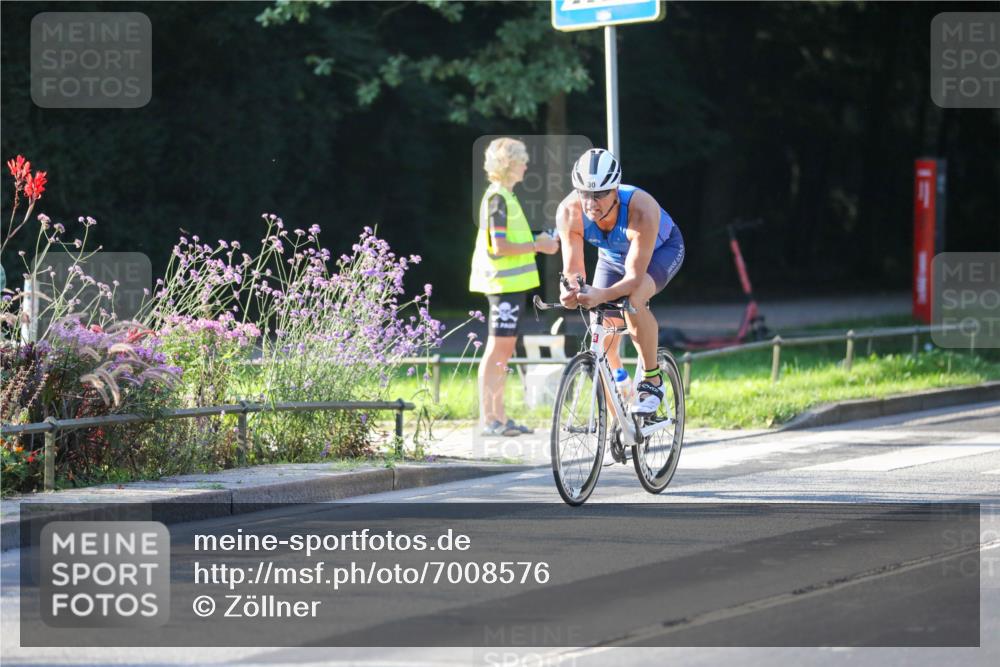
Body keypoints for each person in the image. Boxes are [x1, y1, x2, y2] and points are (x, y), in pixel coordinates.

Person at [555, 148, 685, 416]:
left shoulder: (641, 208)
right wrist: (570, 290)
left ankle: (652, 379)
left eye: (600, 194)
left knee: (633, 301)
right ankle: (618, 409)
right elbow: (574, 271)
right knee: (599, 326)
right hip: (613, 258)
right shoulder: (569, 212)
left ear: (615, 190)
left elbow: (634, 278)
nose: (591, 203)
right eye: (585, 194)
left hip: (661, 251)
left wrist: (602, 294)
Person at [469, 138, 560, 437]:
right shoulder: (498, 199)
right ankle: (489, 419)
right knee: (498, 350)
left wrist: (538, 242)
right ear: (508, 164)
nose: (526, 164)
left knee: (503, 352)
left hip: (509, 286)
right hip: (503, 285)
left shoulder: (504, 196)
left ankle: (499, 417)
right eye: (521, 159)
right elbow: (500, 247)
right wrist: (538, 244)